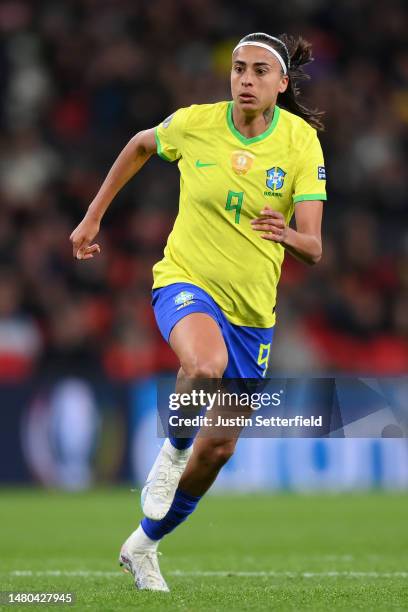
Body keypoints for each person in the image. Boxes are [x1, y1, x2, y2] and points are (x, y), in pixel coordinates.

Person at [70, 32, 327, 592]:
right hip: (186, 283)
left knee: (220, 450)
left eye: (260, 71)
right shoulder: (195, 123)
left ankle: (144, 544)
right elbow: (140, 145)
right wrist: (94, 217)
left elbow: (314, 248)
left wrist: (285, 232)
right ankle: (170, 451)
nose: (246, 80)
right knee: (203, 366)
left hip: (253, 316)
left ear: (281, 84)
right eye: (238, 69)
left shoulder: (301, 143)